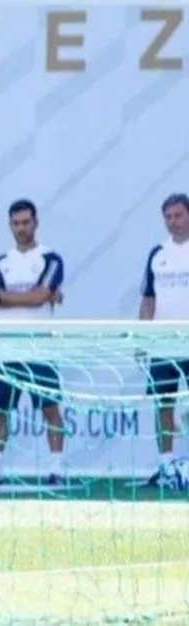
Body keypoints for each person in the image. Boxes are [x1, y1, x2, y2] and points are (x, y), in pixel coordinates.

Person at [0, 199, 66, 486]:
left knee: (50, 408)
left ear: (35, 222)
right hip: (5, 349)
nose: (21, 228)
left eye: (26, 222)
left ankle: (57, 469)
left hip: (40, 349)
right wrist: (34, 295)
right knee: (0, 411)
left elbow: (40, 296)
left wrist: (11, 298)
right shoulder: (0, 262)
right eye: (16, 223)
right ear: (10, 225)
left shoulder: (51, 258)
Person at [138, 192, 189, 487]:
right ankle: (166, 466)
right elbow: (147, 299)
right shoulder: (158, 254)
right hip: (163, 344)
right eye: (168, 217)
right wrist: (143, 337)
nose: (173, 222)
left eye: (178, 215)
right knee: (163, 405)